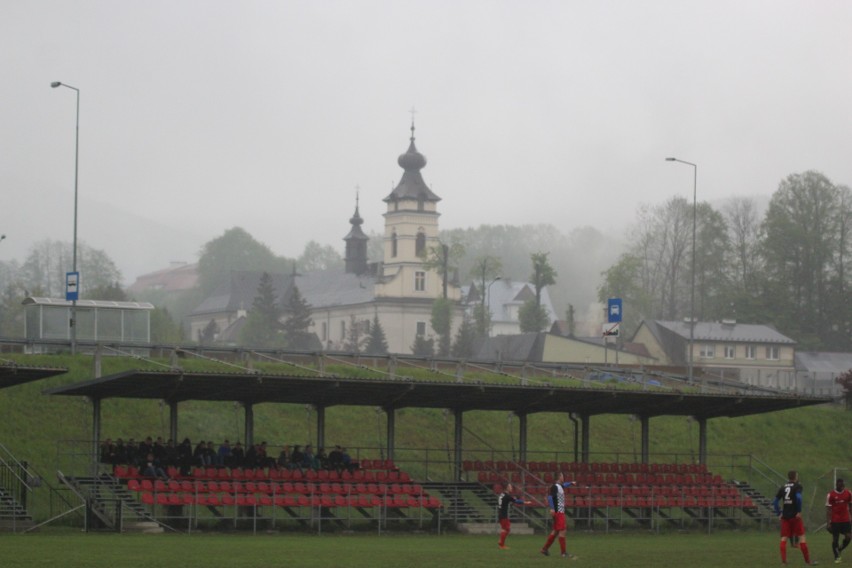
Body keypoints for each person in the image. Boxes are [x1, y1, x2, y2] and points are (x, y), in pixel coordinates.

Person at [773, 470, 815, 565]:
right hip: (795, 517)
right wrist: (799, 511)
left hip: (785, 517)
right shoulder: (797, 486)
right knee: (802, 538)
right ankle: (808, 561)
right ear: (795, 477)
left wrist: (778, 513)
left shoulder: (783, 487)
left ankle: (784, 562)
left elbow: (775, 502)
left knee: (784, 539)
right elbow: (799, 498)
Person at [540, 472, 578, 559]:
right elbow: (550, 497)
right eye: (562, 475)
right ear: (559, 477)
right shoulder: (555, 487)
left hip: (559, 511)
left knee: (556, 531)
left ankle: (544, 549)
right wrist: (552, 508)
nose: (563, 477)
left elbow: (565, 485)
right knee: (563, 530)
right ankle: (563, 553)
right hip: (558, 512)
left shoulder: (560, 486)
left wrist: (571, 483)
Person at [496, 483, 530, 550]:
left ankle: (501, 542)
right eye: (510, 487)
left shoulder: (502, 494)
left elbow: (508, 501)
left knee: (506, 529)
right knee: (506, 529)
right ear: (507, 488)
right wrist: (525, 502)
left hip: (501, 514)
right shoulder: (507, 496)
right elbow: (516, 501)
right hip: (503, 515)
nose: (511, 488)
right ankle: (501, 544)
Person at [826, 478, 852, 564]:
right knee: (835, 539)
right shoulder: (831, 495)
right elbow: (828, 509)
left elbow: (850, 506)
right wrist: (828, 523)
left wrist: (851, 517)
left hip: (845, 520)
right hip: (835, 520)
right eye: (840, 485)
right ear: (837, 485)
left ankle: (839, 549)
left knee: (848, 537)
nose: (842, 487)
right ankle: (837, 557)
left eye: (843, 485)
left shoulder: (848, 493)